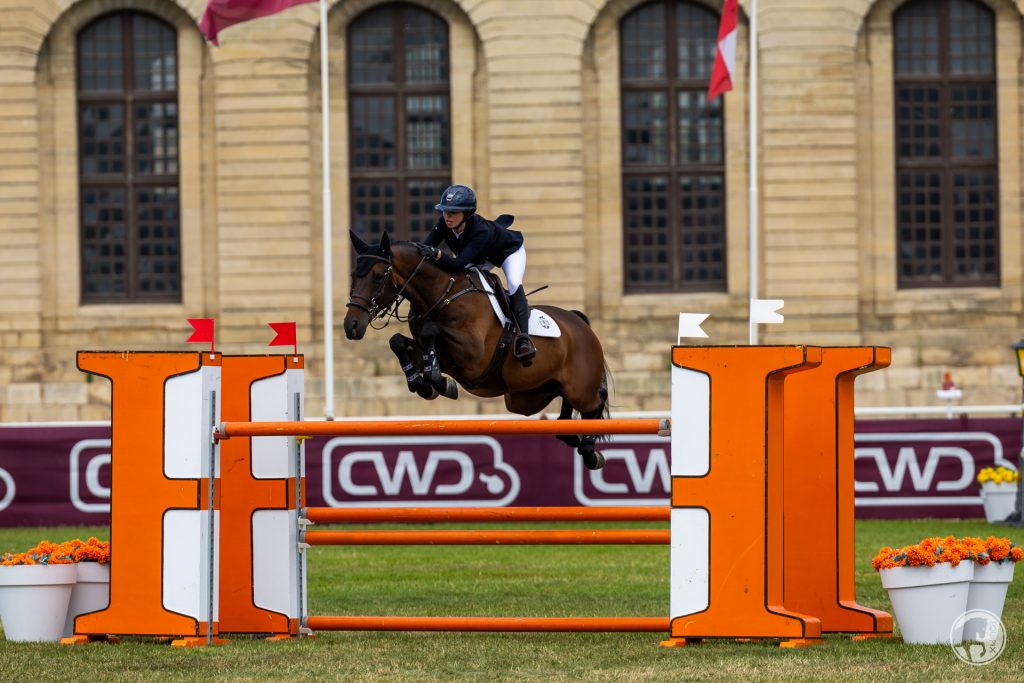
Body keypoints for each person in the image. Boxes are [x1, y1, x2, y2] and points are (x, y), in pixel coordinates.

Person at [417, 184, 536, 363]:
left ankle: (524, 339)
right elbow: (427, 246)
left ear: (467, 213)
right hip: (481, 257)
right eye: (445, 211)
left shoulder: (481, 230)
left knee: (513, 282)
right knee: (463, 282)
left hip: (508, 252)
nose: (447, 216)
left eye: (453, 213)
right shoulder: (444, 223)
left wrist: (438, 254)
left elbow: (457, 264)